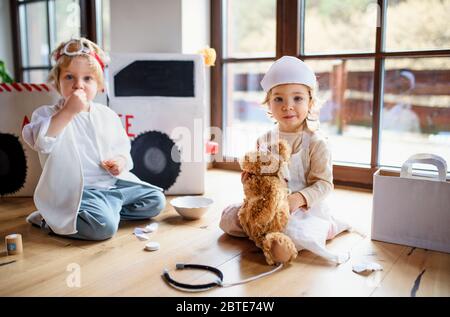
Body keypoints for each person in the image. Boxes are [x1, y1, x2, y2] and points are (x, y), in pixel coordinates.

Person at [22, 38, 166, 240]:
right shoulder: (48, 114)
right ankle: (50, 219)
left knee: (156, 200)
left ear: (99, 85)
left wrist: (120, 162)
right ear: (57, 83)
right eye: (69, 77)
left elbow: (122, 150)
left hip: (113, 186)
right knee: (103, 229)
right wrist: (68, 112)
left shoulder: (106, 114)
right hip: (79, 193)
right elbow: (40, 141)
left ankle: (99, 214)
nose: (78, 85)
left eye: (87, 78)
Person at [220, 56, 350, 264]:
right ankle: (265, 234)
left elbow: (324, 185)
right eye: (279, 99)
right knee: (228, 220)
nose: (288, 106)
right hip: (268, 206)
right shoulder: (264, 140)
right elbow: (260, 179)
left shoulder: (316, 143)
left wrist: (297, 200)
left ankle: (316, 229)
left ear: (311, 102)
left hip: (301, 209)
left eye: (297, 98)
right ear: (268, 104)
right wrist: (249, 183)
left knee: (298, 231)